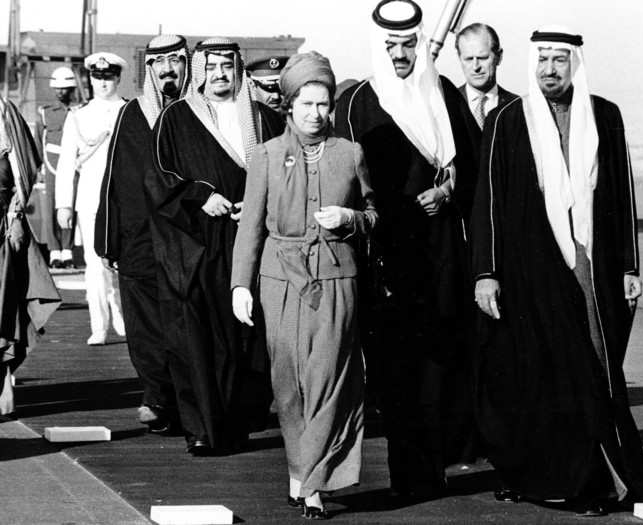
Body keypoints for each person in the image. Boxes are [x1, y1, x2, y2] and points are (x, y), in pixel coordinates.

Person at [470, 27, 643, 515]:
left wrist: (630, 265)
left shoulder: (605, 116)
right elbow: (486, 203)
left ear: (574, 62)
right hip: (527, 272)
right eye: (543, 60)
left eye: (559, 60)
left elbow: (623, 193)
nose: (550, 69)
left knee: (592, 365)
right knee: (533, 376)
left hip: (590, 268)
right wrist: (485, 272)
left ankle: (595, 481)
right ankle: (536, 475)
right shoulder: (507, 121)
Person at [335, 0, 480, 499]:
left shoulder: (443, 93)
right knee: (396, 367)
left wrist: (447, 191)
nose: (400, 55)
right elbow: (344, 181)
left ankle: (434, 467)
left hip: (441, 254)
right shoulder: (357, 103)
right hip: (386, 257)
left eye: (408, 45)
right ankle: (409, 475)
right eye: (391, 46)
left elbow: (473, 164)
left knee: (441, 360)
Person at [232, 51, 376, 520]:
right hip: (281, 281)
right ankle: (300, 470)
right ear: (289, 104)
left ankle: (312, 483)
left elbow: (375, 216)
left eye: (324, 104)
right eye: (308, 104)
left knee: (328, 380)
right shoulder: (268, 156)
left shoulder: (351, 154)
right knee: (289, 383)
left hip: (338, 280)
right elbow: (249, 226)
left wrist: (351, 218)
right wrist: (240, 285)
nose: (317, 114)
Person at [149, 37, 283, 455]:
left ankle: (239, 424)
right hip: (200, 244)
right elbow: (160, 178)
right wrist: (201, 196)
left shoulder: (264, 119)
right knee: (202, 337)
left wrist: (261, 205)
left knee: (247, 335)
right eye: (211, 67)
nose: (220, 74)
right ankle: (203, 428)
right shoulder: (176, 118)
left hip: (251, 241)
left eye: (227, 65)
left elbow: (284, 170)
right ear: (200, 71)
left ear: (239, 70)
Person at [94, 35, 190, 433]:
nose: (168, 69)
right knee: (146, 327)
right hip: (140, 241)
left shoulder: (199, 114)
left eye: (176, 61)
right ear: (148, 69)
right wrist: (108, 238)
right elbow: (114, 177)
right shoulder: (133, 114)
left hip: (189, 241)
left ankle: (191, 403)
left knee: (188, 326)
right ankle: (156, 398)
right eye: (160, 62)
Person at [55, 52, 127, 346]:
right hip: (90, 201)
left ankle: (124, 316)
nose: (103, 83)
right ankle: (100, 325)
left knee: (126, 264)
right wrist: (64, 204)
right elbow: (66, 163)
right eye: (98, 77)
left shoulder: (130, 111)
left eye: (108, 77)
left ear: (118, 78)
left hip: (124, 202)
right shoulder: (79, 115)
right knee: (95, 267)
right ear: (90, 79)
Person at [0, 97, 61, 414]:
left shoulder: (4, 113)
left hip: (0, 227)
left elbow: (22, 168)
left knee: (1, 312)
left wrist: (15, 215)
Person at [30, 66, 80, 268]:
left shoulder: (79, 111)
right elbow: (38, 142)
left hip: (73, 165)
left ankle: (67, 251)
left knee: (68, 206)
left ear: (72, 89)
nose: (61, 92)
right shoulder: (45, 113)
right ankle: (54, 252)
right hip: (51, 165)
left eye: (65, 88)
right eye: (58, 88)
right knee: (50, 207)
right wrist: (39, 168)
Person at [455, 23, 517, 130]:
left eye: (482, 58)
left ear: (499, 57)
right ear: (459, 59)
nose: (476, 67)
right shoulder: (447, 104)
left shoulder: (517, 106)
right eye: (469, 59)